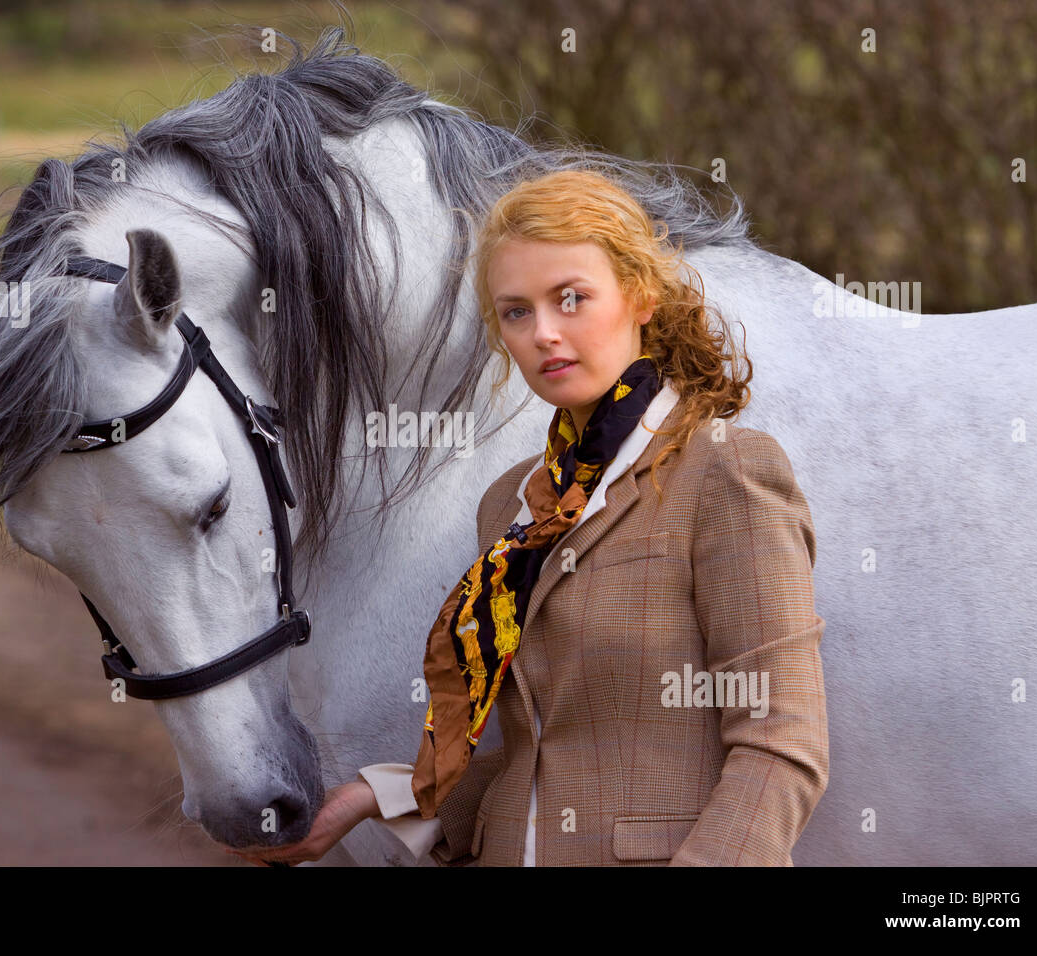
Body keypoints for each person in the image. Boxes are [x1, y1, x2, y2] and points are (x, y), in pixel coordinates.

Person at [227, 168, 829, 866]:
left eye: (571, 298)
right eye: (516, 311)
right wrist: (373, 797)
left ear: (641, 296)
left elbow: (782, 745)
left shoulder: (725, 471)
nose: (544, 333)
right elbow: (532, 754)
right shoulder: (515, 503)